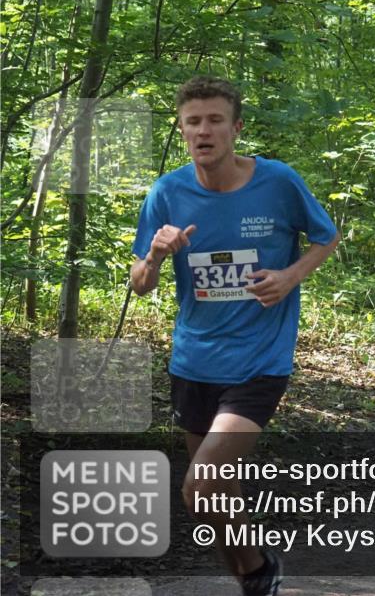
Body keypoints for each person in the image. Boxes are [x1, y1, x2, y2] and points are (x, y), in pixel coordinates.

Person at [130, 76, 340, 596]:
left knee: (199, 487)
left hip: (259, 361)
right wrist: (156, 256)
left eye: (215, 120)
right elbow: (140, 285)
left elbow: (326, 236)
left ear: (235, 128)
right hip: (194, 362)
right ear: (182, 131)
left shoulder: (278, 182)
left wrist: (289, 276)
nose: (204, 130)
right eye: (193, 122)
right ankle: (254, 573)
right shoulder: (167, 193)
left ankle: (255, 571)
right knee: (218, 495)